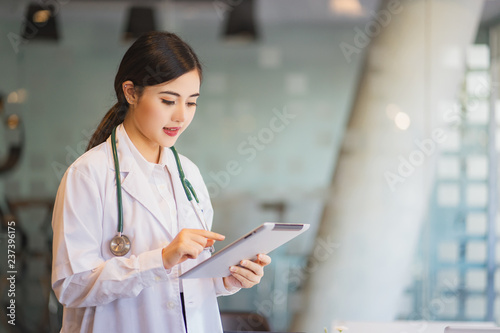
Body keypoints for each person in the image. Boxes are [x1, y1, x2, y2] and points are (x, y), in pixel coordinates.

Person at [51, 31, 271, 333]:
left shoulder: (188, 175)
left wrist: (226, 279)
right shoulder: (88, 175)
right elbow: (71, 286)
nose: (181, 116)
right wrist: (161, 259)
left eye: (191, 103)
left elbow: (182, 284)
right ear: (130, 92)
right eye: (168, 100)